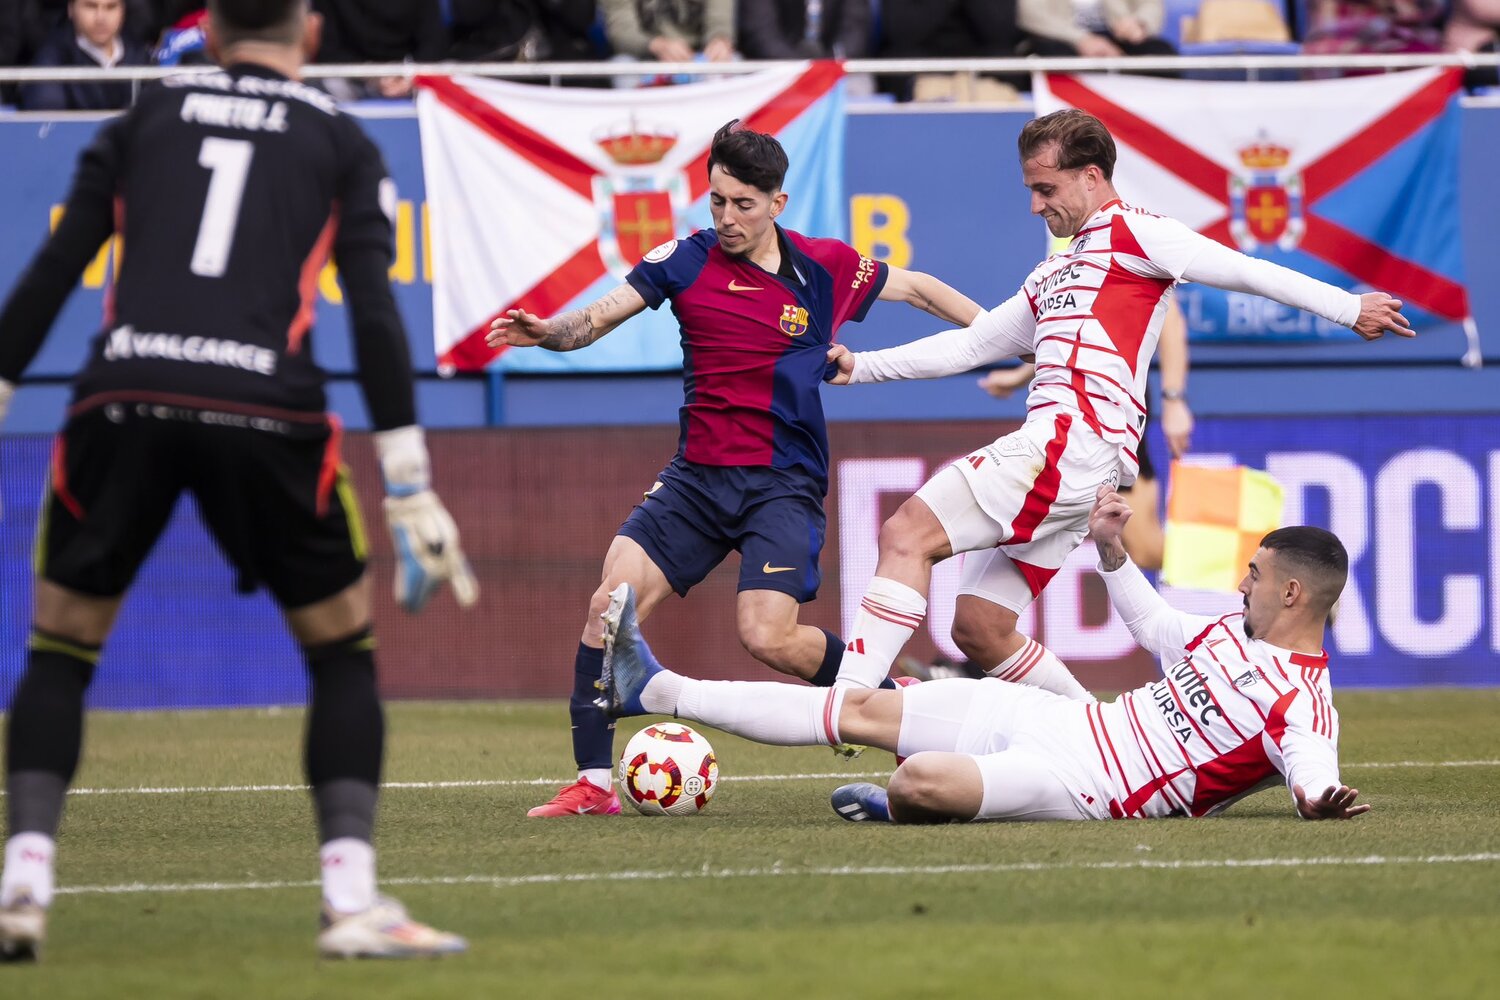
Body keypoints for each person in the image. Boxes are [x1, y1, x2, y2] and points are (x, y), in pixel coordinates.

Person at [0, 0, 477, 961]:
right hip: (268, 407)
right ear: (309, 34)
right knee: (341, 652)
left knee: (61, 647)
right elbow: (375, 314)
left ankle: (21, 887)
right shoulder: (341, 142)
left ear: (208, 33)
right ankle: (349, 903)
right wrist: (408, 479)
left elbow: (55, 268)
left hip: (123, 395)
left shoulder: (139, 120)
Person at [814, 108, 1409, 707]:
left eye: (1046, 188)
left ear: (1092, 176)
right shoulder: (1054, 268)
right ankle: (1096, 731)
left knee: (905, 531)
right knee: (979, 627)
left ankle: (850, 703)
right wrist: (862, 367)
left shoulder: (1140, 233)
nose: (1035, 206)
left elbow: (1244, 271)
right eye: (1030, 190)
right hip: (1081, 468)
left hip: (1066, 445)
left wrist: (1346, 308)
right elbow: (974, 342)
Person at [487, 120, 983, 818]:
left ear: (776, 203)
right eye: (717, 201)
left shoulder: (824, 267)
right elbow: (596, 319)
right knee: (609, 605)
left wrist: (998, 338)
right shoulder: (683, 260)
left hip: (782, 482)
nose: (725, 218)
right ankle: (594, 786)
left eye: (742, 204)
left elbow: (922, 290)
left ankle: (890, 702)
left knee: (767, 637)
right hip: (696, 479)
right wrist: (548, 333)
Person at [599, 487, 1372, 825]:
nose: (1243, 582)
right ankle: (653, 686)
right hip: (1059, 721)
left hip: (1084, 785)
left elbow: (1312, 770)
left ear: (1296, 594)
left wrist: (1319, 799)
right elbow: (1155, 625)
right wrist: (1108, 549)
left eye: (1257, 575)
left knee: (917, 781)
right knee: (860, 708)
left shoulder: (1303, 703)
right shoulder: (1226, 633)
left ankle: (902, 810)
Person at [975, 295, 1192, 574]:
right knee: (1142, 547)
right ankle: (1252, 550)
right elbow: (1073, 325)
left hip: (1108, 406)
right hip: (1077, 404)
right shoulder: (1066, 253)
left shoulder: (1136, 251)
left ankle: (1250, 548)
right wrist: (1019, 377)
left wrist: (1173, 398)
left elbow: (1169, 316)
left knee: (1146, 548)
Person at [20, 0, 152, 111]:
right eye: (91, 6)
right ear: (71, 9)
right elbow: (48, 126)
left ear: (123, 10)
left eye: (111, 7)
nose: (101, 18)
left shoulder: (141, 55)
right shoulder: (51, 62)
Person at [1018, 0, 1177, 62]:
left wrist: (1139, 23)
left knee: (1161, 53)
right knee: (1052, 54)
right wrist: (1081, 39)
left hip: (1118, 36)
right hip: (1062, 39)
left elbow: (1150, 6)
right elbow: (1029, 14)